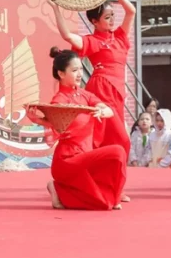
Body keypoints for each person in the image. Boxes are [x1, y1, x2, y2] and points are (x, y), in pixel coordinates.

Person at [47, 0, 135, 201]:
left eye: (112, 16)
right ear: (94, 21)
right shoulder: (93, 41)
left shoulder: (121, 38)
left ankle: (110, 186)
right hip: (101, 90)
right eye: (107, 17)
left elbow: (131, 11)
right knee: (121, 141)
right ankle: (114, 187)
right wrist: (56, 8)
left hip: (118, 92)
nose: (112, 20)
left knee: (111, 142)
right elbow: (68, 36)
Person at [25, 47, 126, 210]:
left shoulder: (86, 95)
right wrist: (37, 119)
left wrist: (102, 110)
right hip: (68, 161)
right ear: (61, 74)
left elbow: (108, 110)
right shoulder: (59, 100)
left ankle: (107, 196)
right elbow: (57, 126)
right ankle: (58, 188)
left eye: (80, 69)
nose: (80, 73)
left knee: (116, 159)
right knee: (116, 155)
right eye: (74, 70)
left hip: (87, 157)